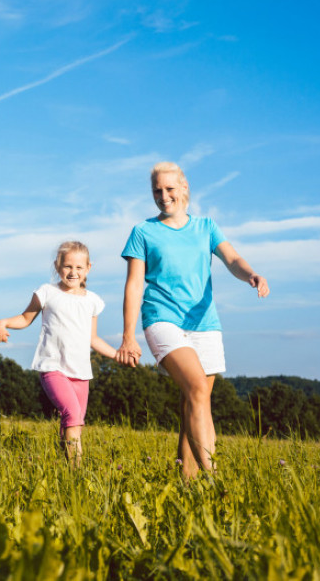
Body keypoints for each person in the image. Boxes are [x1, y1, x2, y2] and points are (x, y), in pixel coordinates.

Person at [117, 162, 269, 478]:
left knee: (194, 402)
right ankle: (215, 480)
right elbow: (133, 285)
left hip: (205, 324)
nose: (163, 196)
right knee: (197, 388)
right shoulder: (143, 231)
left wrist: (250, 274)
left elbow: (233, 259)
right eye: (157, 190)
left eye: (169, 189)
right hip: (162, 319)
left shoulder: (206, 227)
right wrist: (128, 336)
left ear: (184, 188)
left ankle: (187, 486)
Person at [0, 241, 123, 462]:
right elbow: (25, 318)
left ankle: (63, 466)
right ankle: (76, 472)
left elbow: (93, 338)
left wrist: (117, 355)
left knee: (75, 423)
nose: (73, 272)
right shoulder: (47, 292)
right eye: (68, 266)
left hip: (81, 372)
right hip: (53, 367)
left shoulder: (93, 301)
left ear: (88, 268)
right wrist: (3, 322)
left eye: (79, 267)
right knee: (72, 416)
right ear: (57, 266)